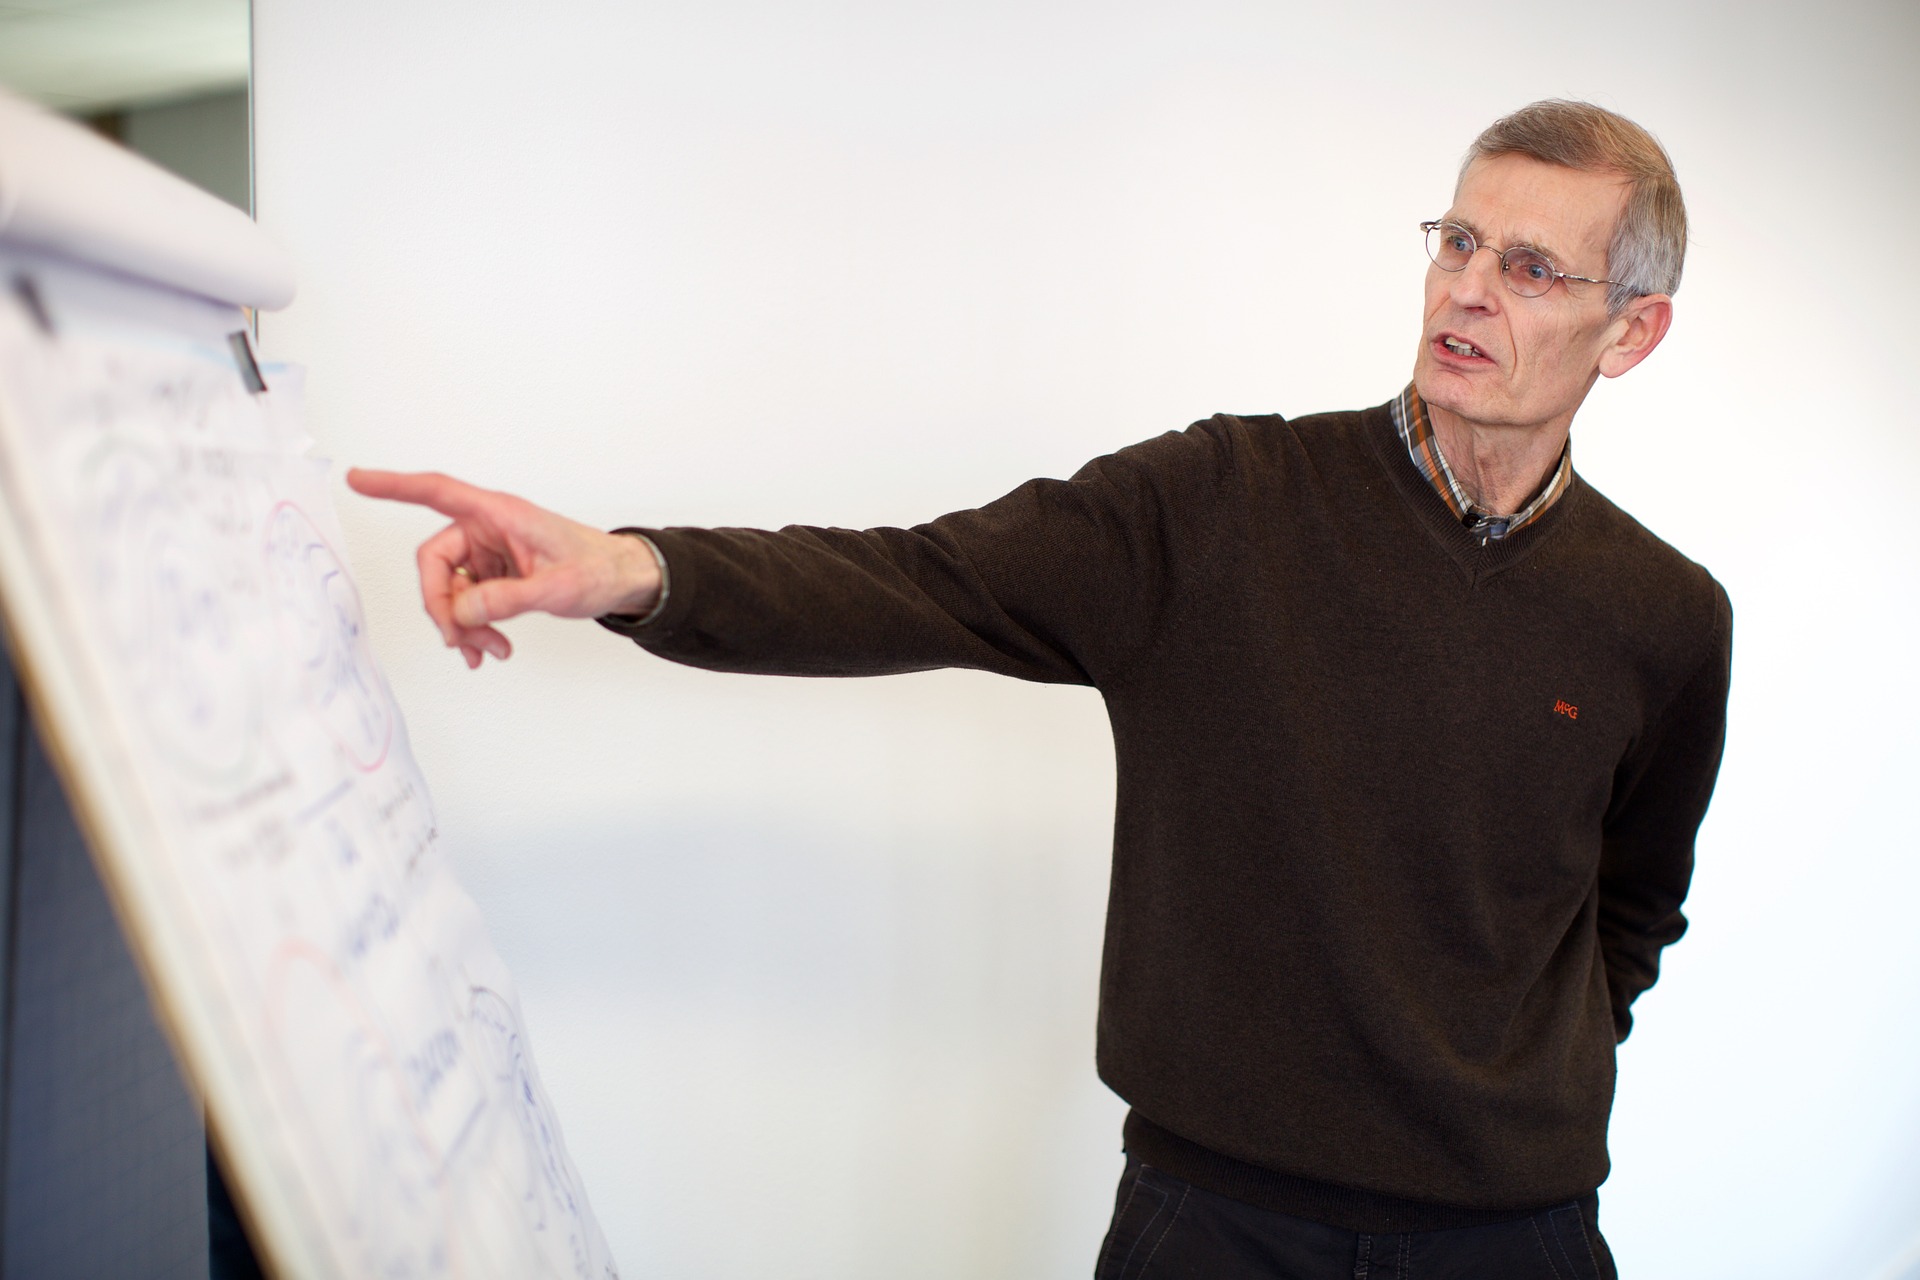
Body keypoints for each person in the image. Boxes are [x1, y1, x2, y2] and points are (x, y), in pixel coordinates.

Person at [350, 100, 1730, 1280]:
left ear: (1633, 332)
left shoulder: (1666, 617)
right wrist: (628, 568)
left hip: (1514, 1234)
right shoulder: (1223, 505)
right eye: (1458, 242)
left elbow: (1628, 909)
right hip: (1217, 1223)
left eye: (1533, 269)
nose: (1468, 291)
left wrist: (1507, 1074)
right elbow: (919, 578)